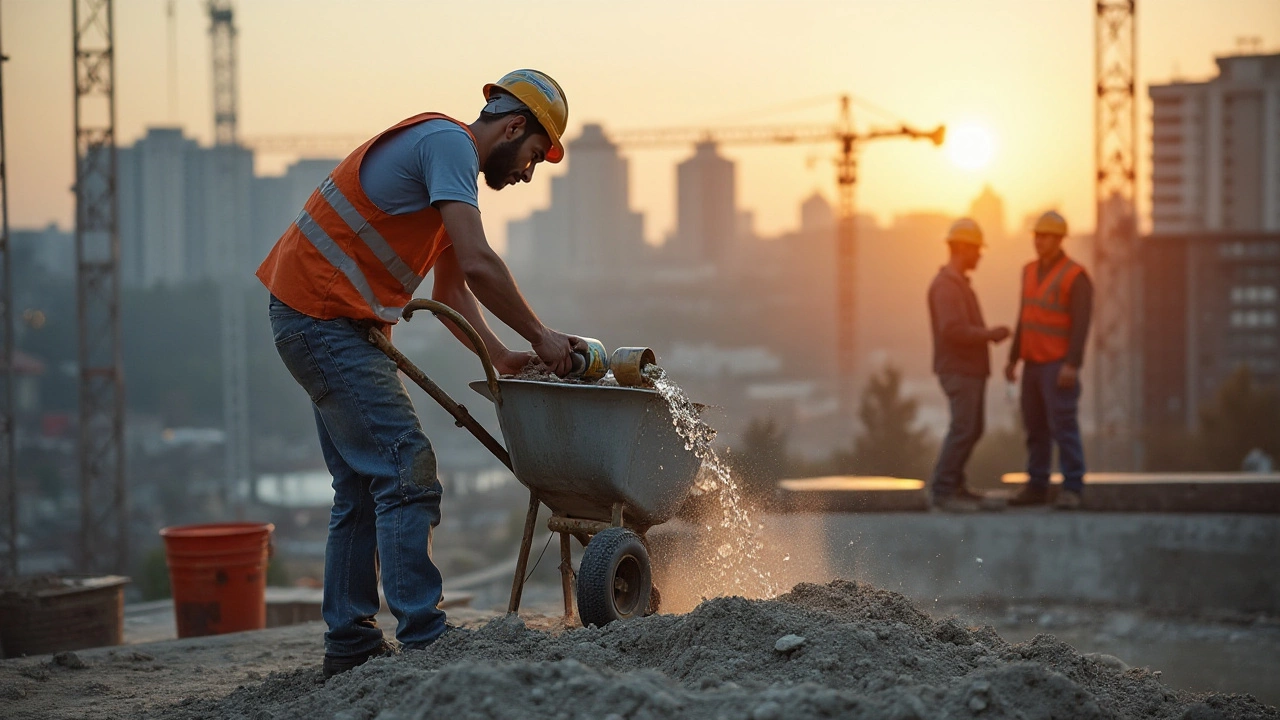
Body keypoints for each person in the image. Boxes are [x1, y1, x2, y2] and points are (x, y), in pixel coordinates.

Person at [256, 69, 586, 679]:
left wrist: (498, 352)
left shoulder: (446, 173)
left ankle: (351, 643)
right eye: (535, 154)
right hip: (323, 318)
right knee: (407, 467)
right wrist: (540, 337)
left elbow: (453, 288)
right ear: (513, 126)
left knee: (360, 484)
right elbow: (483, 265)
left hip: (315, 317)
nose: (528, 171)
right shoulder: (448, 147)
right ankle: (426, 638)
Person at [1004, 210, 1093, 510]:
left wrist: (1072, 364)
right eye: (1037, 236)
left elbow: (1081, 324)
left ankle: (1072, 488)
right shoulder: (1028, 271)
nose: (1039, 242)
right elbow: (1024, 317)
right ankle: (1037, 485)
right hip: (1032, 364)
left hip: (1057, 366)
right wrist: (1013, 358)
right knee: (1035, 427)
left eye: (1045, 237)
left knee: (1063, 426)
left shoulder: (1075, 276)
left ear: (1059, 240)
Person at [926, 218, 1010, 512]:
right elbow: (953, 330)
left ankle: (956, 487)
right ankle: (943, 492)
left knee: (973, 429)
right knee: (963, 429)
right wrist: (990, 335)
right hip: (959, 370)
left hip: (969, 370)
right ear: (962, 247)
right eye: (976, 249)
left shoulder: (958, 284)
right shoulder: (947, 287)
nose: (980, 255)